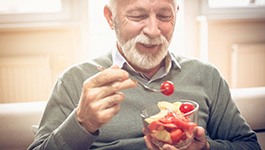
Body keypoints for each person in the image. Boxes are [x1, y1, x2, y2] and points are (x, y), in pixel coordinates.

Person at [28, 0, 261, 149]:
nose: (153, 31)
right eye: (138, 16)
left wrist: (205, 148)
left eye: (164, 16)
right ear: (111, 18)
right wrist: (82, 124)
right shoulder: (75, 81)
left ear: (176, 13)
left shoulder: (206, 76)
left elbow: (249, 145)